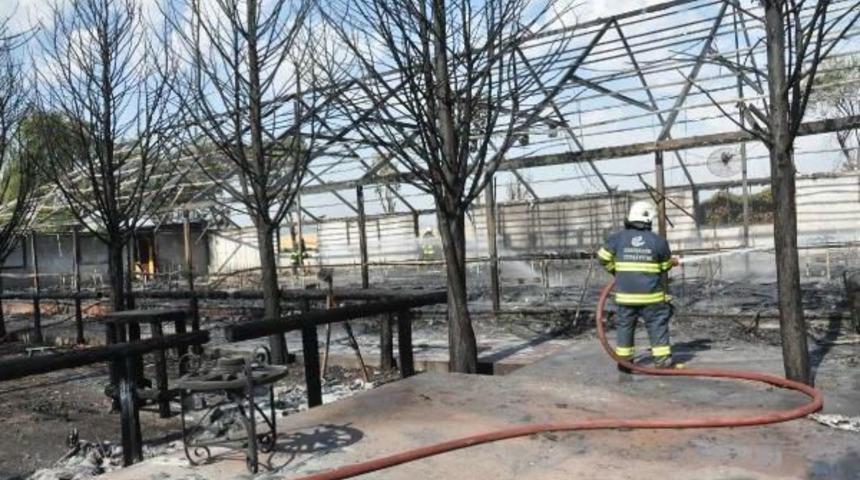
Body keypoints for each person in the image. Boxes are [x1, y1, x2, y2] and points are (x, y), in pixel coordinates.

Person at [597, 200, 679, 371]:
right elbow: (663, 267)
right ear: (648, 219)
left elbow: (603, 258)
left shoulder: (617, 238)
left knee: (625, 327)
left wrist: (616, 271)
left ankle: (625, 363)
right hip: (652, 297)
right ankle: (662, 361)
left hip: (626, 297)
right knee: (657, 325)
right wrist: (671, 263)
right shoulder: (659, 241)